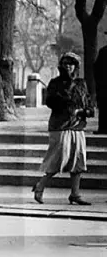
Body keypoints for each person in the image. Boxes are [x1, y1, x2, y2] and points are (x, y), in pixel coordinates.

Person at [32, 52, 95, 206]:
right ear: (61, 66)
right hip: (60, 127)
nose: (68, 66)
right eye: (65, 63)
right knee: (57, 159)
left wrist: (83, 111)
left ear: (76, 66)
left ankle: (75, 194)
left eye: (71, 64)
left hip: (77, 127)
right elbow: (50, 102)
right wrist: (66, 99)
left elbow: (89, 105)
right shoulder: (55, 83)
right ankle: (40, 186)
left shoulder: (81, 83)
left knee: (78, 162)